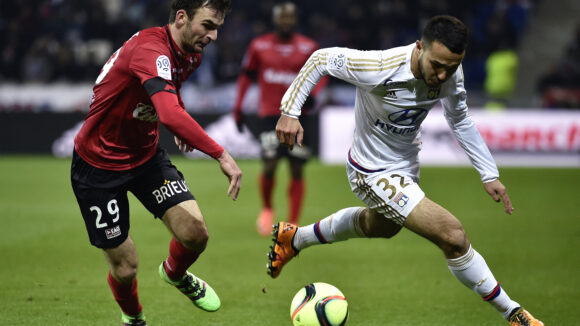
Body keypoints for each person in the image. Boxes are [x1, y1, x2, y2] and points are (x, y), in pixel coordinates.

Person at [267, 15, 543, 326]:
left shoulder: (451, 72)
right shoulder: (379, 66)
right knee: (452, 235)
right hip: (370, 170)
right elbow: (321, 58)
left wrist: (488, 172)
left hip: (406, 167)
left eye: (450, 67)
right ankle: (515, 314)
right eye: (436, 65)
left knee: (380, 226)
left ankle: (296, 238)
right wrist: (290, 111)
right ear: (419, 47)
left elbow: (459, 119)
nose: (441, 75)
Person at [70, 1, 241, 325]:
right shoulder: (150, 48)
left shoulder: (191, 54)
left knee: (195, 234)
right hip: (98, 166)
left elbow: (168, 93)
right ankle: (134, 318)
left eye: (217, 27)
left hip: (145, 157)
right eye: (208, 25)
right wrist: (221, 154)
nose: (214, 36)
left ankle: (175, 274)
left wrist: (176, 109)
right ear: (181, 18)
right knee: (126, 267)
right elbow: (167, 112)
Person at [232, 2, 326, 236]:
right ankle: (267, 209)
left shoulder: (308, 47)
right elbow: (246, 76)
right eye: (282, 18)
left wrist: (314, 95)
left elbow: (322, 76)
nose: (286, 22)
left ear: (295, 20)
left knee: (296, 167)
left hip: (298, 115)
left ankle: (292, 221)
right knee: (270, 163)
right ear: (275, 20)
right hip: (269, 114)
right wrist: (238, 105)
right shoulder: (259, 45)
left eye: (289, 18)